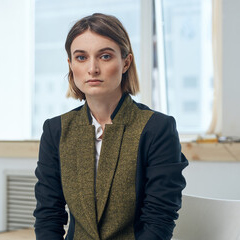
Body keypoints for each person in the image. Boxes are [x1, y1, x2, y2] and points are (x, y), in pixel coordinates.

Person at [33, 13, 188, 240]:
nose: (93, 68)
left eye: (105, 56)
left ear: (125, 62)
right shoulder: (55, 130)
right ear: (70, 64)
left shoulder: (157, 128)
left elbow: (159, 220)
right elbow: (48, 215)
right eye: (81, 57)